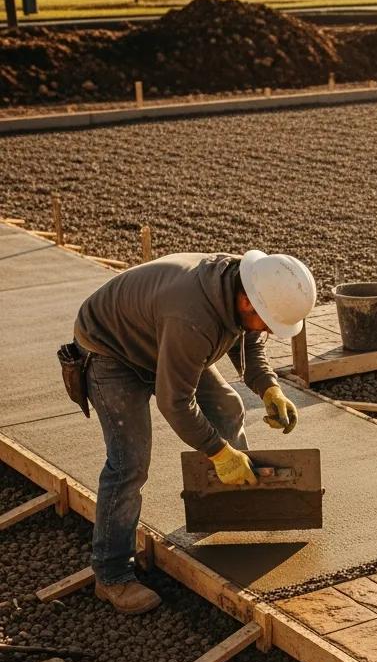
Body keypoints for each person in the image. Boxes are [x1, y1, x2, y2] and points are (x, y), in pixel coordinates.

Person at [73, 250, 317, 615]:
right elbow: (175, 402)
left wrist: (269, 388)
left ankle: (228, 506)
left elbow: (249, 343)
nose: (268, 330)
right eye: (267, 322)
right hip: (110, 350)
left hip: (160, 336)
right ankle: (112, 575)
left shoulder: (245, 285)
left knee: (227, 407)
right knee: (129, 464)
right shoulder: (193, 317)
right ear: (246, 301)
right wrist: (219, 453)